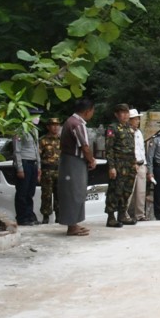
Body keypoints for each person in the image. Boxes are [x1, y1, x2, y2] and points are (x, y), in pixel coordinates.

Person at [58, 98, 97, 236]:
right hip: (73, 161)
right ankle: (72, 226)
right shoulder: (77, 124)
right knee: (74, 192)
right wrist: (91, 160)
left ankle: (74, 223)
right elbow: (85, 147)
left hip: (69, 160)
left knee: (75, 192)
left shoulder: (70, 121)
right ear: (88, 111)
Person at [104, 103, 138, 228]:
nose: (125, 115)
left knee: (126, 191)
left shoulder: (129, 128)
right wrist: (111, 167)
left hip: (129, 165)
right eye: (122, 113)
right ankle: (111, 217)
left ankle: (122, 214)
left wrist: (134, 163)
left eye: (126, 112)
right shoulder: (112, 128)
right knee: (115, 191)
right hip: (118, 164)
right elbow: (109, 149)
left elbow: (132, 148)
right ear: (116, 115)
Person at [13, 112, 42, 226]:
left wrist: (38, 167)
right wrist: (19, 168)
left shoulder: (35, 130)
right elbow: (17, 151)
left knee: (30, 192)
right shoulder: (20, 130)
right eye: (35, 116)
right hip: (24, 163)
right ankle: (22, 217)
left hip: (33, 163)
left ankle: (30, 216)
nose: (37, 118)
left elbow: (36, 149)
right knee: (22, 192)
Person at [38, 117, 61, 224]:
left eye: (57, 125)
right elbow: (38, 156)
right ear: (48, 127)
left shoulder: (62, 140)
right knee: (46, 194)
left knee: (59, 194)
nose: (55, 127)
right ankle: (46, 216)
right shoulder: (43, 140)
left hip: (59, 171)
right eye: (53, 125)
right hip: (47, 171)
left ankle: (59, 215)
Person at [126, 109, 147, 222]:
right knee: (129, 191)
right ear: (130, 120)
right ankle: (124, 214)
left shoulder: (139, 132)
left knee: (141, 192)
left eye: (138, 119)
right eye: (135, 119)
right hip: (132, 164)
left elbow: (141, 149)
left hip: (141, 164)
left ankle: (140, 214)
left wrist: (145, 164)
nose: (138, 121)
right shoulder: (126, 132)